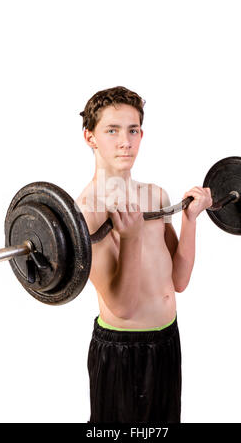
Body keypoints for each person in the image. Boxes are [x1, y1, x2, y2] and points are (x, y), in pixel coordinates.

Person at [77, 86, 212, 423]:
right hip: (122, 351)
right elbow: (123, 307)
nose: (126, 141)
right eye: (112, 130)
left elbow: (179, 281)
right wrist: (131, 239)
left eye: (133, 130)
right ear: (90, 137)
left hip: (168, 339)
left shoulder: (154, 195)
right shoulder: (87, 212)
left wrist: (189, 220)